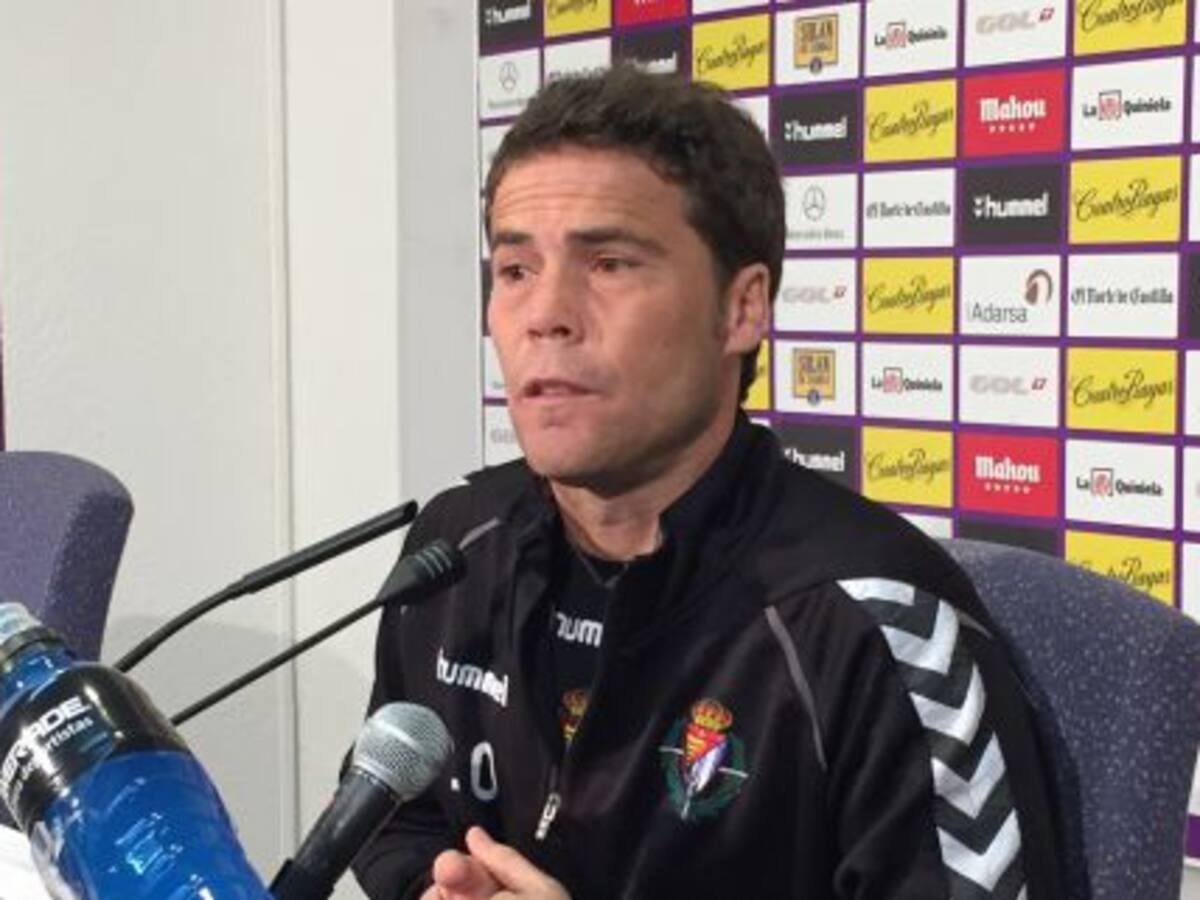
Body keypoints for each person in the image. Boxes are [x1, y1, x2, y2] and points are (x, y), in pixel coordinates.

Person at [353, 66, 1063, 900]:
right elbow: (392, 816)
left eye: (609, 263)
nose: (545, 314)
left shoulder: (879, 624)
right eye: (515, 271)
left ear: (742, 309)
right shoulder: (455, 552)